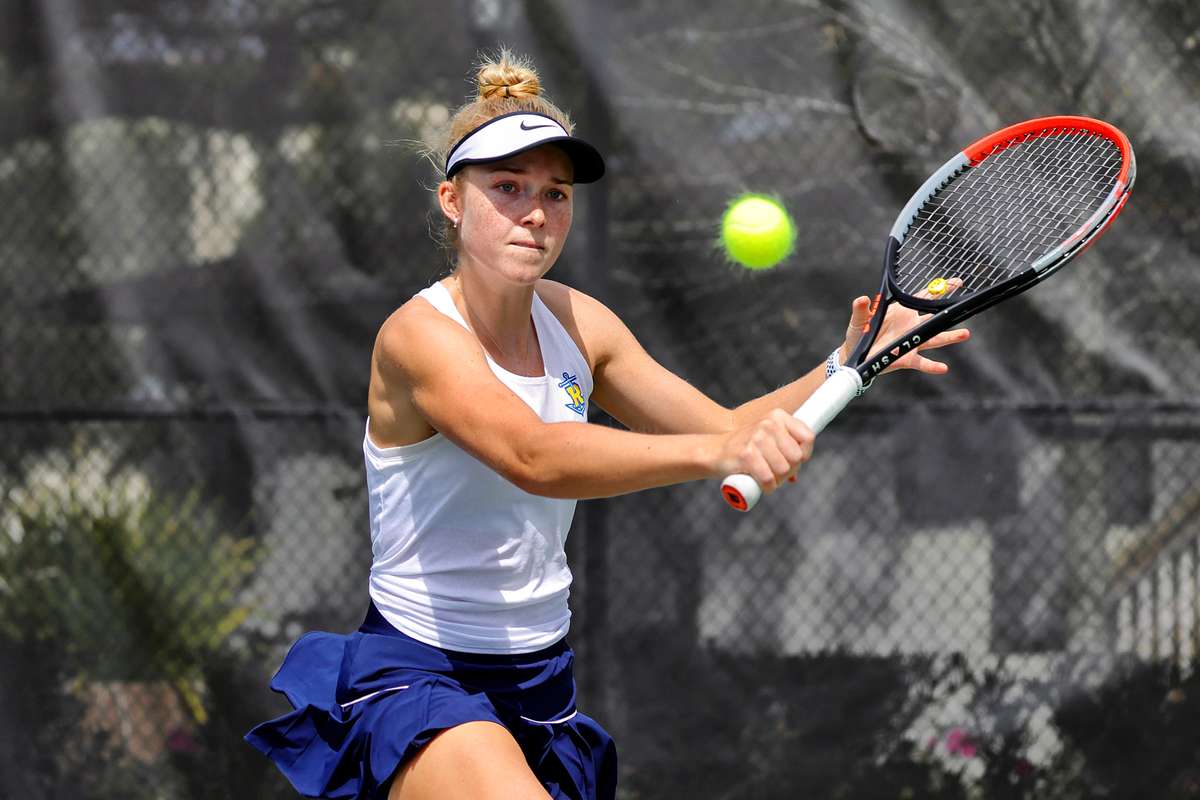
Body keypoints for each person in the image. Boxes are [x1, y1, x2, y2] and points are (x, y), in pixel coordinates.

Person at [245, 48, 970, 800]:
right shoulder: (418, 336)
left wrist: (846, 365)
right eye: (507, 188)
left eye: (555, 194)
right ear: (452, 202)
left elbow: (727, 428)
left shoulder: (579, 322)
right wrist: (721, 447)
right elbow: (532, 454)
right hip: (423, 675)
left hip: (541, 685)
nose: (535, 212)